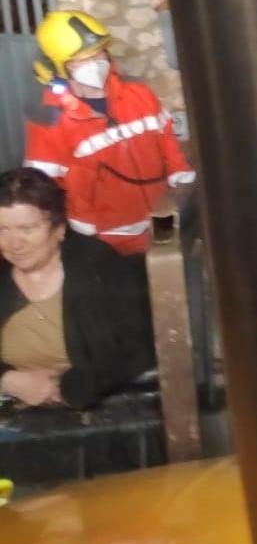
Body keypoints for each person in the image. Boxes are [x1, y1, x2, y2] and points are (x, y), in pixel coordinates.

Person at [23, 10, 195, 256]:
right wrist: (79, 231)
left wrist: (182, 176)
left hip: (161, 220)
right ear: (59, 67)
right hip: (107, 240)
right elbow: (43, 188)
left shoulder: (138, 94)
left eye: (99, 53)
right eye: (82, 59)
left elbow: (167, 138)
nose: (95, 64)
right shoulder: (50, 120)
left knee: (168, 280)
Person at [0, 168, 154, 409]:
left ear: (59, 229)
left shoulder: (99, 266)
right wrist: (9, 380)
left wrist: (69, 386)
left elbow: (140, 347)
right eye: (2, 230)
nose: (14, 244)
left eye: (27, 229)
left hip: (99, 413)